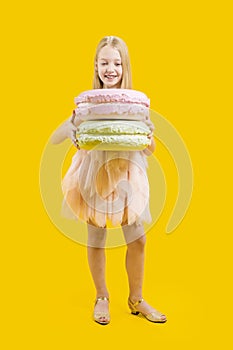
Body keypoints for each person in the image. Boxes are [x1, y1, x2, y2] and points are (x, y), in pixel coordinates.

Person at [50, 36, 166, 325]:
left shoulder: (136, 106)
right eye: (104, 62)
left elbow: (150, 149)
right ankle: (102, 296)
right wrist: (72, 129)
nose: (110, 68)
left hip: (128, 173)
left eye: (116, 62)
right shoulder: (87, 106)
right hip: (95, 172)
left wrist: (146, 136)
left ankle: (136, 299)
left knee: (137, 237)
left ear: (125, 66)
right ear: (96, 66)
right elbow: (55, 139)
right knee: (97, 235)